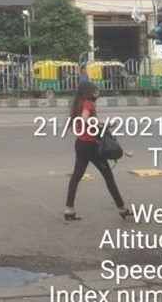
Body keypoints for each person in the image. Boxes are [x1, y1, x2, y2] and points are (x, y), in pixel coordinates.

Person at [64, 82, 132, 220]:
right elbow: (85, 119)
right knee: (108, 177)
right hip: (91, 145)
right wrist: (103, 124)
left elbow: (88, 119)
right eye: (95, 92)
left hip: (81, 144)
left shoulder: (79, 102)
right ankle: (122, 208)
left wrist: (104, 123)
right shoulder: (88, 103)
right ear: (88, 92)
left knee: (76, 177)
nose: (97, 94)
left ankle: (69, 209)